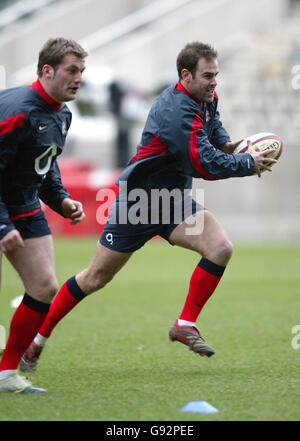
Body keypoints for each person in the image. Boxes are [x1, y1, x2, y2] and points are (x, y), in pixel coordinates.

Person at [19, 42, 276, 389]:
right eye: (208, 76)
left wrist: (230, 146)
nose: (215, 82)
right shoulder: (175, 110)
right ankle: (36, 341)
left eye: (216, 75)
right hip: (139, 201)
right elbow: (200, 163)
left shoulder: (205, 97)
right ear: (186, 75)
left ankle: (185, 323)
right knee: (95, 278)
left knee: (220, 247)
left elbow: (213, 134)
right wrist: (246, 163)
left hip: (173, 199)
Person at [0, 37, 88, 393]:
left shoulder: (62, 113)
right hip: (4, 209)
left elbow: (45, 168)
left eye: (82, 71)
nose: (79, 78)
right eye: (72, 70)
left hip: (24, 205)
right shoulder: (17, 109)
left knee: (43, 286)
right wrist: (2, 223)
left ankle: (5, 374)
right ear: (47, 70)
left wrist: (62, 200)